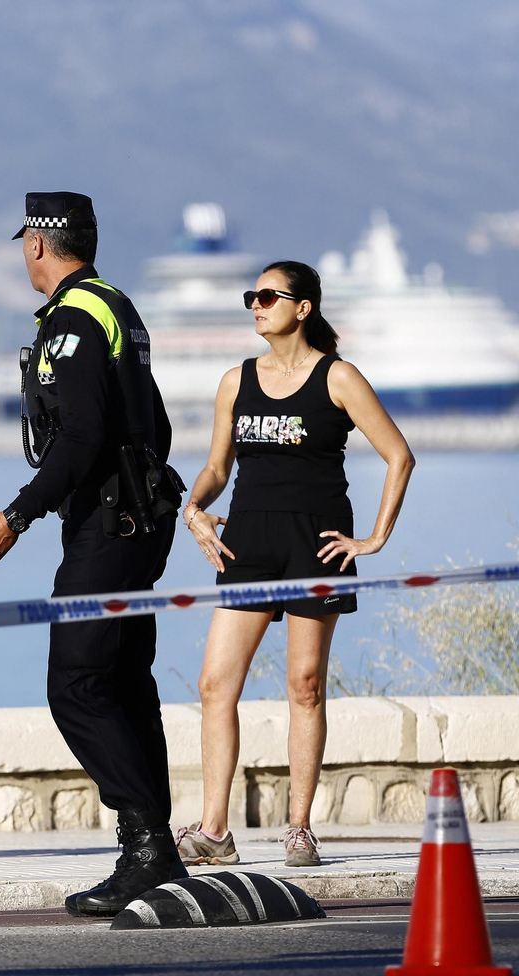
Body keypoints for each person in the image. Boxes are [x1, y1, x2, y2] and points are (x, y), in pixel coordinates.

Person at [0, 192, 186, 916]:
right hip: (135, 517)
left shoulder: (74, 320)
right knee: (124, 681)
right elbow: (154, 421)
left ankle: (146, 845)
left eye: (25, 239)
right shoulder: (116, 305)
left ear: (39, 246)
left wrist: (16, 515)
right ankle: (158, 848)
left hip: (110, 525)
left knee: (79, 684)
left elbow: (82, 438)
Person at [175, 260, 413, 868]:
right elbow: (217, 468)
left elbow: (398, 456)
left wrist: (374, 539)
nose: (255, 304)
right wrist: (194, 506)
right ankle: (214, 831)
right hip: (247, 544)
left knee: (304, 687)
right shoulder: (237, 380)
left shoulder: (339, 377)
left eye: (267, 296)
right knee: (214, 685)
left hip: (315, 544)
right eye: (250, 295)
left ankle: (300, 828)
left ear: (302, 308)